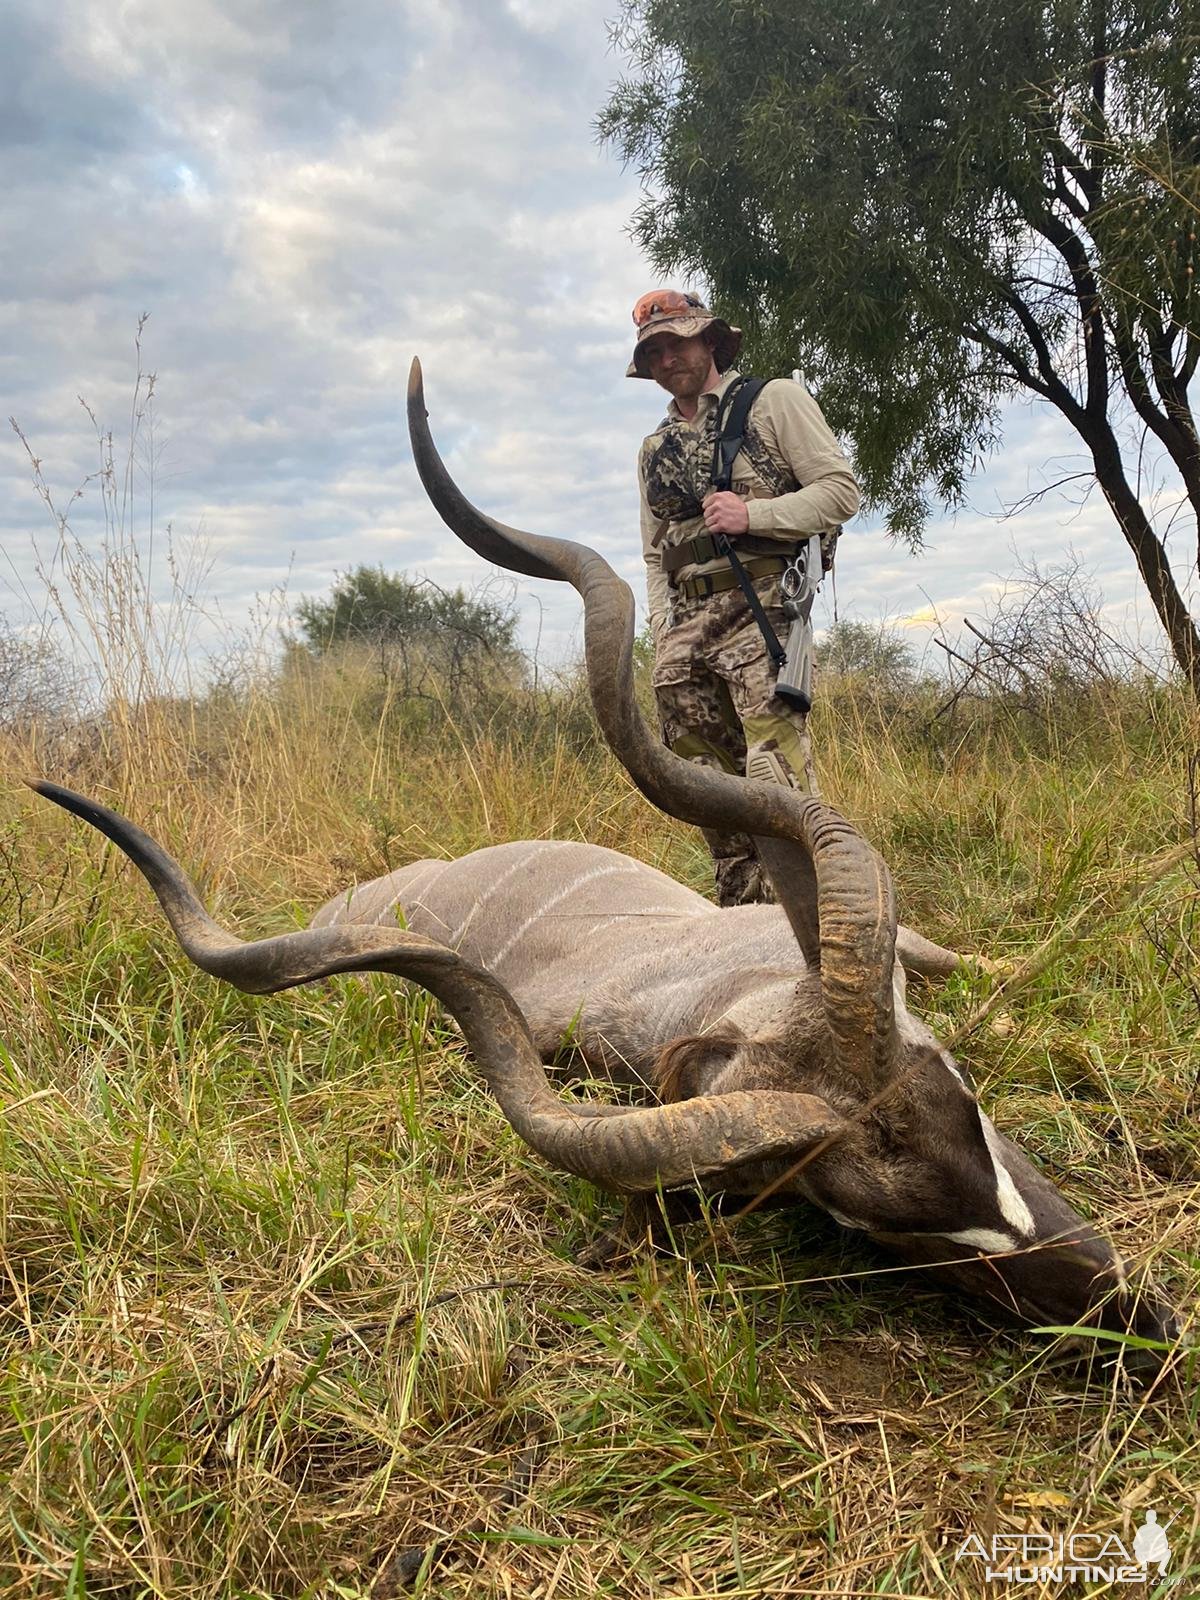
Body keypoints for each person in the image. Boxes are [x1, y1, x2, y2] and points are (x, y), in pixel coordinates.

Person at [630, 288, 860, 906]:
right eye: (654, 351)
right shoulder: (652, 450)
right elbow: (656, 553)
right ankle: (744, 924)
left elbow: (841, 491)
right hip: (684, 636)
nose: (667, 357)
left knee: (779, 788)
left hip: (761, 614)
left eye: (677, 341)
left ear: (710, 339)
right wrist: (661, 629)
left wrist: (752, 514)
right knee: (708, 793)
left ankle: (822, 926)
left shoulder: (774, 400)